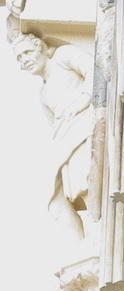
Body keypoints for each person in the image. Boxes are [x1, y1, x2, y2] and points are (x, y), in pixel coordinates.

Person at [12, 32, 93, 238]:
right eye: (19, 57)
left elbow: (94, 68)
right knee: (56, 196)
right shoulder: (43, 94)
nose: (24, 60)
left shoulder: (63, 55)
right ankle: (78, 240)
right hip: (66, 137)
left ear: (41, 48)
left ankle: (98, 228)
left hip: (84, 126)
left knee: (86, 180)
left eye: (28, 52)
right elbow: (53, 126)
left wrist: (84, 99)